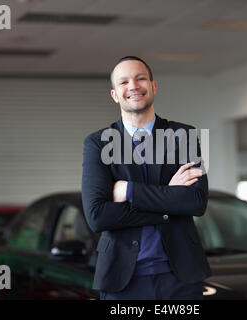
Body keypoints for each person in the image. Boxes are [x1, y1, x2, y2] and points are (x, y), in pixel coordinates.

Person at [81, 56, 211, 300]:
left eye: (141, 78)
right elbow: (98, 216)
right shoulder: (98, 143)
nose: (133, 86)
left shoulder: (184, 135)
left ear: (153, 86)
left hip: (180, 278)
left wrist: (129, 191)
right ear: (114, 94)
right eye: (124, 82)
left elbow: (196, 202)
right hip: (122, 281)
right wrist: (169, 201)